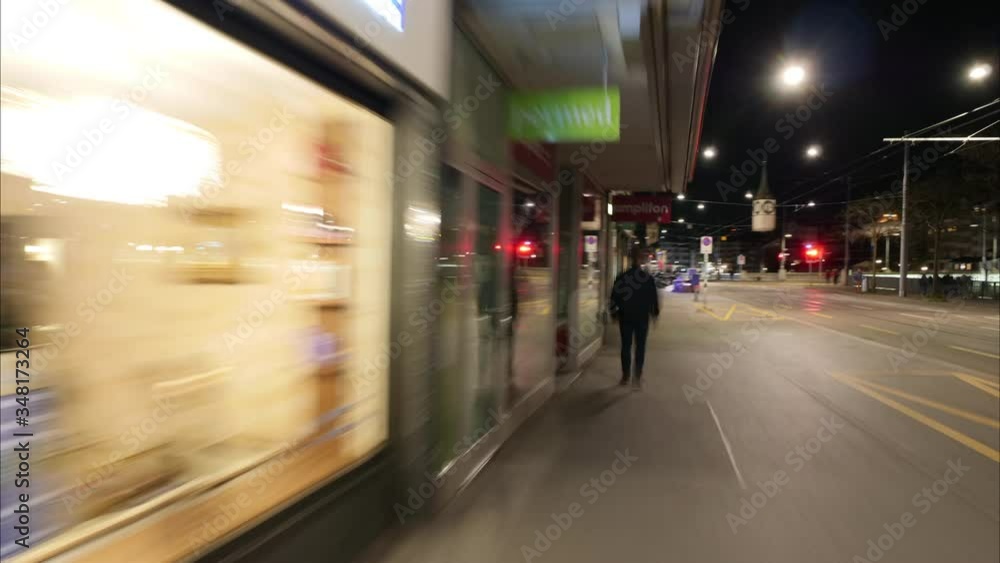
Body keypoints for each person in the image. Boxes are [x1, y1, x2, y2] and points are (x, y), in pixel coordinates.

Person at [610, 246, 660, 389]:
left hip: (625, 317)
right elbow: (653, 298)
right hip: (642, 318)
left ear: (630, 259)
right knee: (640, 347)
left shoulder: (622, 276)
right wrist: (654, 314)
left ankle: (625, 376)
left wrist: (614, 314)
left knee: (626, 346)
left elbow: (614, 297)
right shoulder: (647, 278)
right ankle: (637, 376)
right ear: (640, 259)